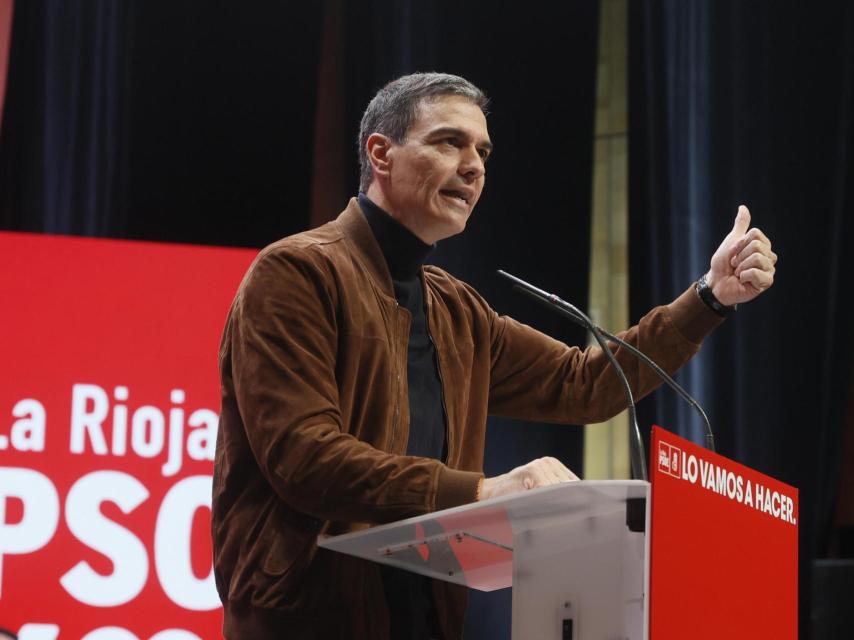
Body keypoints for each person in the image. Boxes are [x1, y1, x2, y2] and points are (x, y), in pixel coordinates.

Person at [212, 73, 776, 639]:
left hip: (423, 617)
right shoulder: (297, 273)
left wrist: (709, 297)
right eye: (449, 142)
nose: (475, 165)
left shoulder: (458, 309)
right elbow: (304, 459)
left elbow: (584, 384)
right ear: (380, 153)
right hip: (310, 618)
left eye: (482, 150)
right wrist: (484, 492)